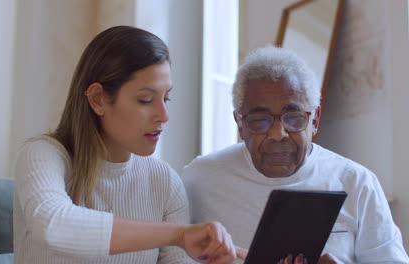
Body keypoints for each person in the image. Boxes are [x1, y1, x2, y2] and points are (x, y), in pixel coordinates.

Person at [13, 26, 245, 264]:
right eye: (145, 100)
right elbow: (53, 224)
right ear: (98, 99)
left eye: (166, 98)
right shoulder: (43, 155)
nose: (163, 115)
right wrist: (179, 234)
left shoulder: (164, 182)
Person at [182, 46, 409, 263]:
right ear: (240, 125)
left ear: (315, 120)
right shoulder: (200, 178)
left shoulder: (356, 182)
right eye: (260, 121)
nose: (277, 134)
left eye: (294, 118)